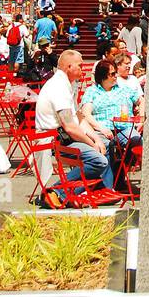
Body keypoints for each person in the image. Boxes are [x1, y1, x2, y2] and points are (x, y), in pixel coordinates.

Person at [33, 49, 116, 206]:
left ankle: (104, 188)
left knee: (106, 143)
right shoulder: (58, 87)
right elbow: (70, 127)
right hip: (54, 141)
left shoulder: (68, 84)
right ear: (69, 67)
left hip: (64, 136)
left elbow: (79, 117)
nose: (83, 67)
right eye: (80, 65)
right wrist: (93, 144)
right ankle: (55, 192)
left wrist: (97, 138)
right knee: (99, 160)